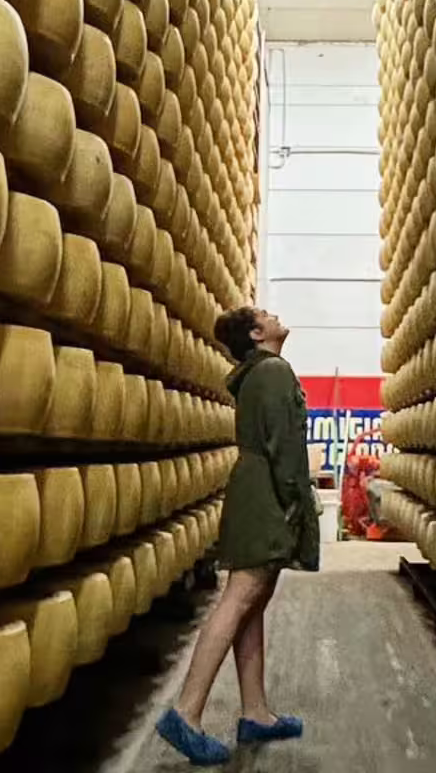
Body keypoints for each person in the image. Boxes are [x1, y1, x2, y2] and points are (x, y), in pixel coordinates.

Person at [155, 304, 319, 765]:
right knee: (240, 598)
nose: (277, 316)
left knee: (252, 602)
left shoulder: (256, 373)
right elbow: (284, 446)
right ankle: (186, 714)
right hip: (267, 491)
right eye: (267, 314)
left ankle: (256, 713)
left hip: (253, 486)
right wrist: (294, 502)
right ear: (257, 332)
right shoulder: (275, 371)